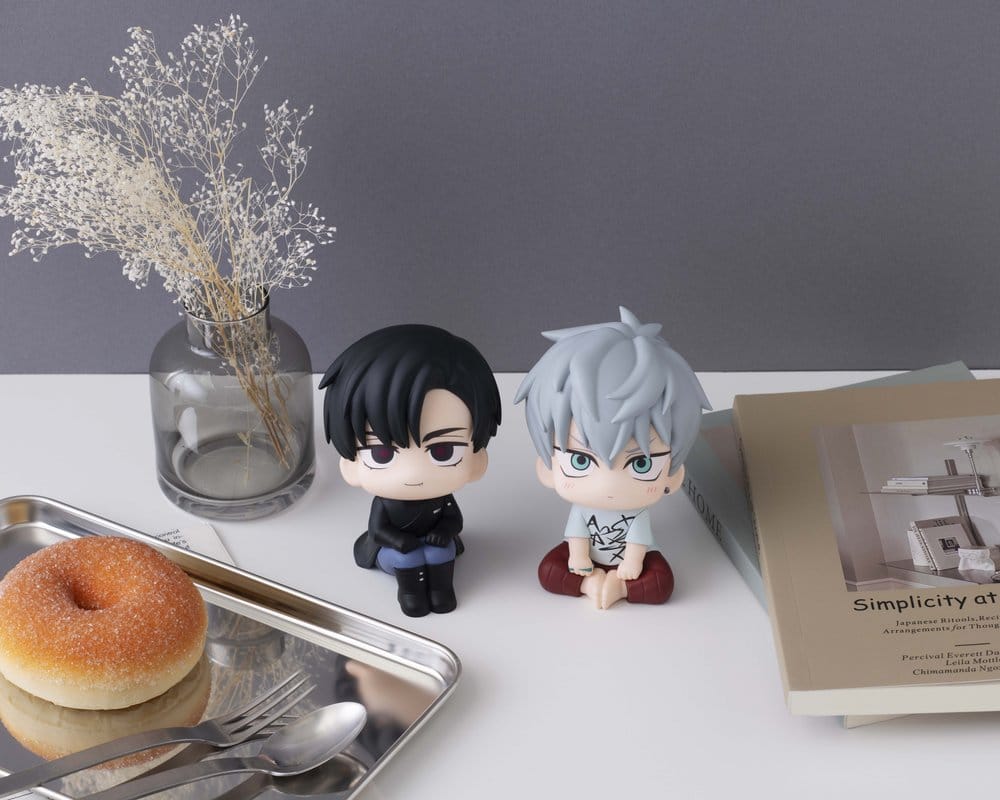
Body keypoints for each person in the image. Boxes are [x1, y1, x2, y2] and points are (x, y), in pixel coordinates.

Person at [515, 307, 710, 609]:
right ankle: (589, 584)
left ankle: (619, 588)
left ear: (673, 476)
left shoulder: (638, 514)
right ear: (547, 468)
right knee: (549, 570)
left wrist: (631, 566)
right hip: (586, 561)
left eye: (641, 463)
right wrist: (579, 559)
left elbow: (637, 545)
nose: (608, 484)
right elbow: (577, 538)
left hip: (634, 562)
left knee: (662, 583)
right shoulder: (581, 509)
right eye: (580, 460)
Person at [320, 325, 501, 617]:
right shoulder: (385, 504)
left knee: (441, 552)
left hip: (433, 544)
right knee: (408, 559)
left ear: (477, 459)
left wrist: (443, 532)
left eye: (443, 451)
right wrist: (399, 541)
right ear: (351, 465)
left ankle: (442, 590)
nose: (413, 474)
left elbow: (454, 520)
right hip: (395, 551)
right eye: (382, 454)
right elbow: (378, 530)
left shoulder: (441, 499)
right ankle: (411, 595)